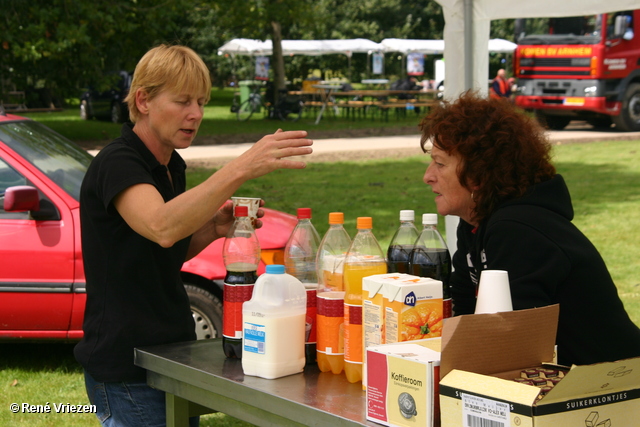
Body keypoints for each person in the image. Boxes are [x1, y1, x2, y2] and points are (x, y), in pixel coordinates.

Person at [74, 44, 313, 427]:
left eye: (201, 102)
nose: (196, 114)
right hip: (125, 368)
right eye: (183, 101)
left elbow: (161, 250)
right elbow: (161, 226)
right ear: (144, 100)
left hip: (166, 355)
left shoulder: (170, 166)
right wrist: (241, 167)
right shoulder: (118, 162)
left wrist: (211, 229)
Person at [419, 91, 640, 367]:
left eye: (440, 164)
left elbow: (519, 345)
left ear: (478, 175)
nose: (428, 176)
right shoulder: (475, 222)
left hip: (610, 390)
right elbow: (464, 314)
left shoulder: (517, 230)